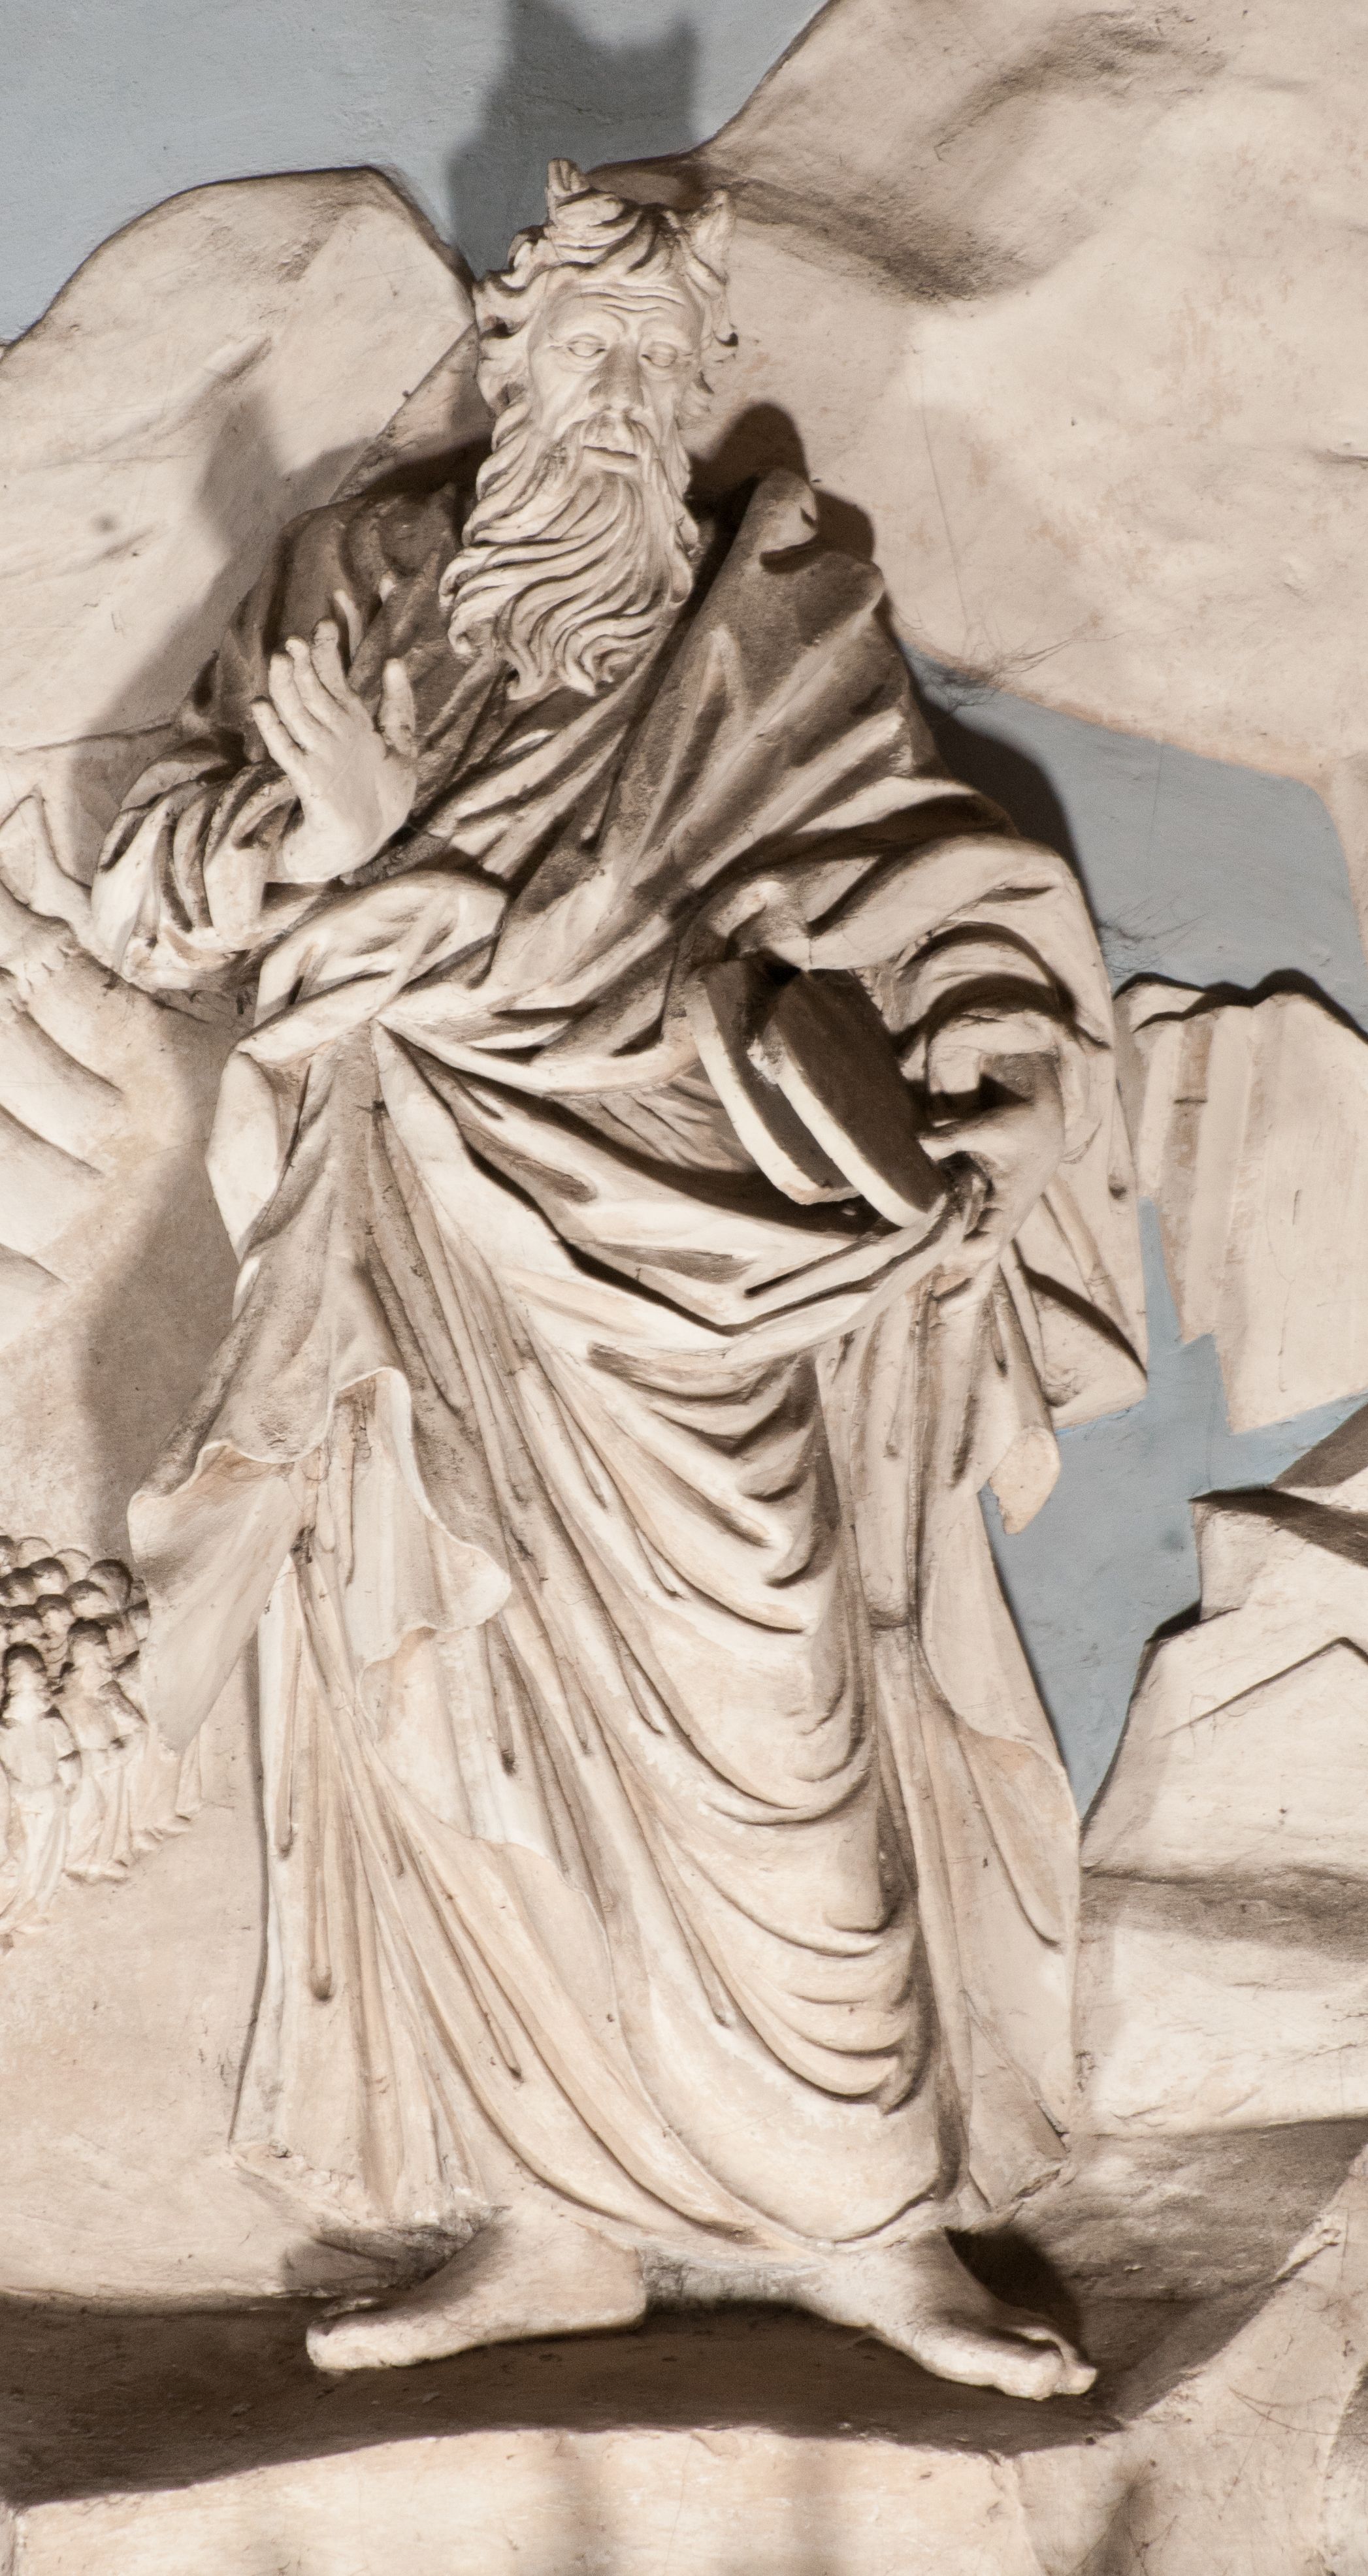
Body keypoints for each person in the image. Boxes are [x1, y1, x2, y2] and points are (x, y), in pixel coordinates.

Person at [90, 164, 1145, 2395]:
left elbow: (930, 881)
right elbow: (156, 876)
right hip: (417, 1237)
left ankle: (869, 2224)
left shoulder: (773, 622)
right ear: (507, 348)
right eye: (585, 345)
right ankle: (547, 2221)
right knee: (451, 1718)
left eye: (660, 361)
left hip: (708, 1245)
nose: (618, 395)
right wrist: (306, 840)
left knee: (778, 1697)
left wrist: (993, 1060)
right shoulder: (355, 586)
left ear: (696, 386)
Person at [0, 1645, 78, 1931]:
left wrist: (70, 1775)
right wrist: (25, 1795)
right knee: (30, 1858)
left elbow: (68, 1754)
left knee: (52, 1853)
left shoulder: (51, 1722)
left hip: (54, 1797)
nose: (42, 1687)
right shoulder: (7, 1731)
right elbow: (6, 1778)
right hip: (29, 1806)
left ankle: (39, 1904)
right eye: (36, 1680)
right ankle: (19, 1912)